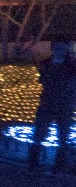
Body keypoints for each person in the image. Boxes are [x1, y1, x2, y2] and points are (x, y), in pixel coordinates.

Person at [30, 39, 75, 169]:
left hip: (64, 105)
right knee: (39, 134)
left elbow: (72, 84)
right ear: (53, 49)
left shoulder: (72, 66)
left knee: (63, 136)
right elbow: (42, 80)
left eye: (62, 47)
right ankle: (33, 164)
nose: (60, 50)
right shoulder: (45, 64)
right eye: (57, 47)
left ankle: (59, 166)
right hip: (47, 104)